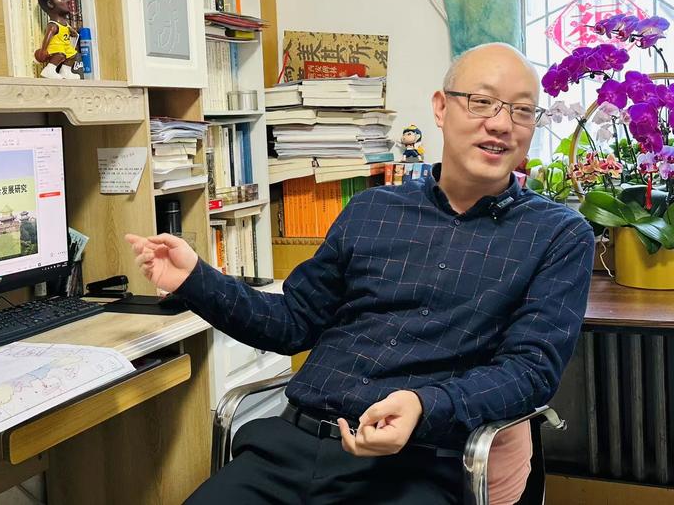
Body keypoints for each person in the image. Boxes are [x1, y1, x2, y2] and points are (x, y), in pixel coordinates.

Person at [126, 43, 595, 504]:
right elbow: (293, 322)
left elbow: (530, 370)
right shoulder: (372, 208)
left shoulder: (558, 234)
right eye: (482, 101)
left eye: (522, 110)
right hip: (291, 448)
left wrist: (424, 405)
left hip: (416, 463)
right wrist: (195, 279)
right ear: (440, 107)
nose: (501, 124)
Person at [35, 0, 80, 80]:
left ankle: (65, 71)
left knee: (72, 55)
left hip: (66, 46)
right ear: (50, 4)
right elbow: (48, 37)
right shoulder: (53, 25)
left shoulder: (65, 24)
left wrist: (73, 32)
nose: (68, 0)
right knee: (60, 55)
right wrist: (43, 50)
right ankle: (49, 70)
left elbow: (69, 30)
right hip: (56, 46)